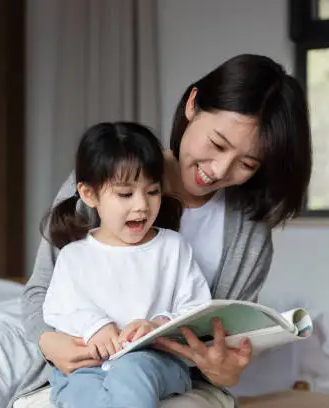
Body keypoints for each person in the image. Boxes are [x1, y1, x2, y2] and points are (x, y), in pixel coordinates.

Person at [9, 53, 312, 408]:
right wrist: (50, 342)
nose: (217, 170)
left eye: (246, 164)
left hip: (174, 378)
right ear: (193, 105)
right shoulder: (105, 175)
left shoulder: (246, 235)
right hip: (81, 367)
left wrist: (223, 370)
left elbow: (216, 333)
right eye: (216, 144)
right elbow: (42, 293)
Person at [41, 121, 213, 408]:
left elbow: (197, 309)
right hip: (91, 365)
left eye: (152, 191)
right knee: (78, 390)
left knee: (132, 370)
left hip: (158, 363)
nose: (142, 206)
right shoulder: (75, 256)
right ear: (89, 194)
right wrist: (95, 326)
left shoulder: (173, 248)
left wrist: (158, 325)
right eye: (125, 194)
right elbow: (58, 308)